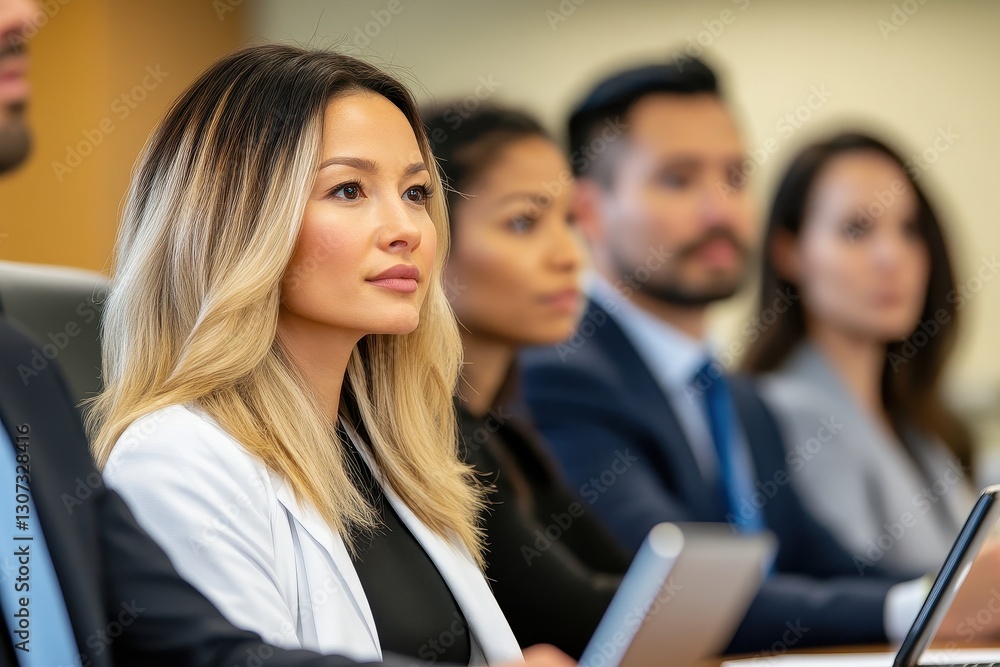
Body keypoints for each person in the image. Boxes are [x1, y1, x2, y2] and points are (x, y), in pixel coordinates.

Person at [0, 3, 570, 664]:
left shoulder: (391, 447)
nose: (406, 228)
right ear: (238, 223)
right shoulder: (177, 460)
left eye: (415, 193)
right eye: (350, 190)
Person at [519, 56, 1000, 651]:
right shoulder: (561, 375)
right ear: (588, 211)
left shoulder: (737, 397)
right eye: (678, 179)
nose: (721, 210)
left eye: (736, 177)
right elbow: (677, 598)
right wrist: (918, 605)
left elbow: (826, 567)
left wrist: (957, 595)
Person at [423, 105, 630, 658]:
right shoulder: (426, 433)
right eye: (523, 222)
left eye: (569, 220)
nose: (568, 256)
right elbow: (579, 614)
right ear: (428, 240)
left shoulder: (502, 433)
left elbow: (627, 583)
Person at [744, 132, 975, 580]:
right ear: (789, 252)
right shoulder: (783, 411)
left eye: (909, 230)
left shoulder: (919, 422)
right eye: (856, 230)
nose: (892, 257)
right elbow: (846, 588)